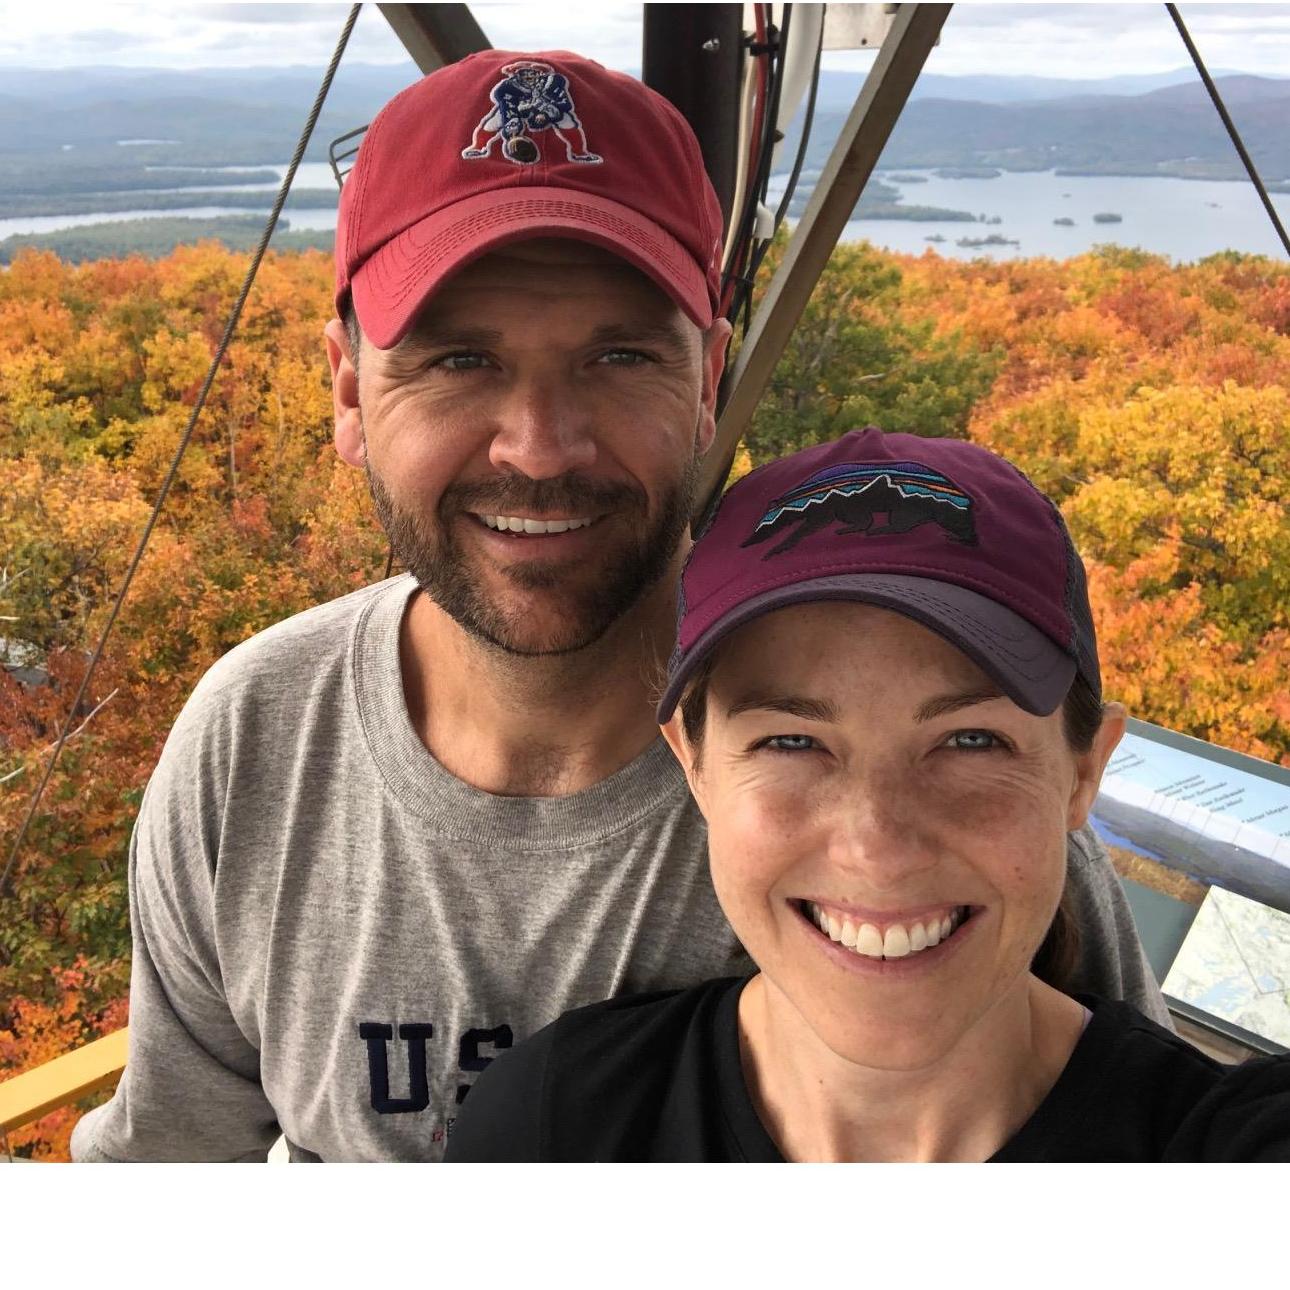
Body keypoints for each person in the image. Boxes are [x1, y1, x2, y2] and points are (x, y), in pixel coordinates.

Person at [72, 52, 1166, 1164]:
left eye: (620, 354)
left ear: (706, 383)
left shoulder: (927, 791)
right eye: (458, 360)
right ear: (349, 388)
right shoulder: (256, 740)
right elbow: (171, 1169)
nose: (540, 447)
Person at [443, 429, 1290, 1163]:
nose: (876, 845)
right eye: (791, 741)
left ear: (1082, 772)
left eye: (968, 741)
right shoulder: (557, 1127)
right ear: (694, 765)